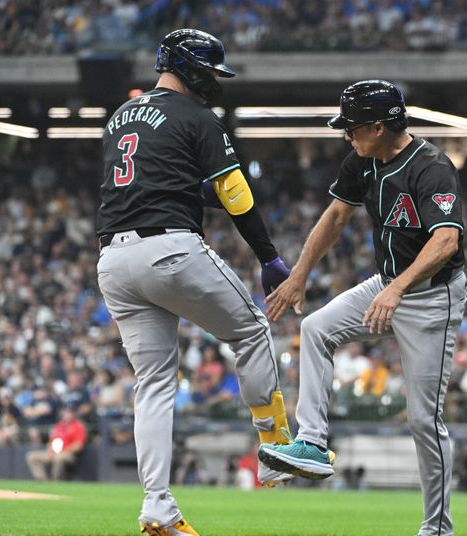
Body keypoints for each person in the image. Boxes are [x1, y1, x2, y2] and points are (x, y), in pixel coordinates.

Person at [95, 29, 292, 535]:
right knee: (250, 330)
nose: (212, 81)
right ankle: (274, 449)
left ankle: (157, 506)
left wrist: (191, 190)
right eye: (207, 70)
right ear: (188, 66)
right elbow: (235, 193)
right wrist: (267, 256)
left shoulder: (121, 115)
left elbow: (151, 177)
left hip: (114, 262)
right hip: (169, 251)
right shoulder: (196, 116)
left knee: (154, 384)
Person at [259, 80, 467, 536]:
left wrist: (397, 291)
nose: (346, 135)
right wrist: (298, 275)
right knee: (315, 328)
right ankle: (311, 442)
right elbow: (335, 216)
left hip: (431, 294)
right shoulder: (363, 160)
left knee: (422, 420)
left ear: (379, 125)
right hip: (388, 283)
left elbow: (446, 240)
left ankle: (437, 527)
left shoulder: (431, 167)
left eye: (352, 127)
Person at [25, 404, 87, 481]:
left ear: (74, 414)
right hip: (54, 453)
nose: (67, 414)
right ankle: (42, 481)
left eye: (69, 412)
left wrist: (62, 451)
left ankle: (56, 482)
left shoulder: (78, 426)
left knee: (59, 458)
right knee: (31, 456)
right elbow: (51, 440)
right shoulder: (58, 425)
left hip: (68, 454)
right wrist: (51, 450)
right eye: (66, 412)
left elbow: (78, 446)